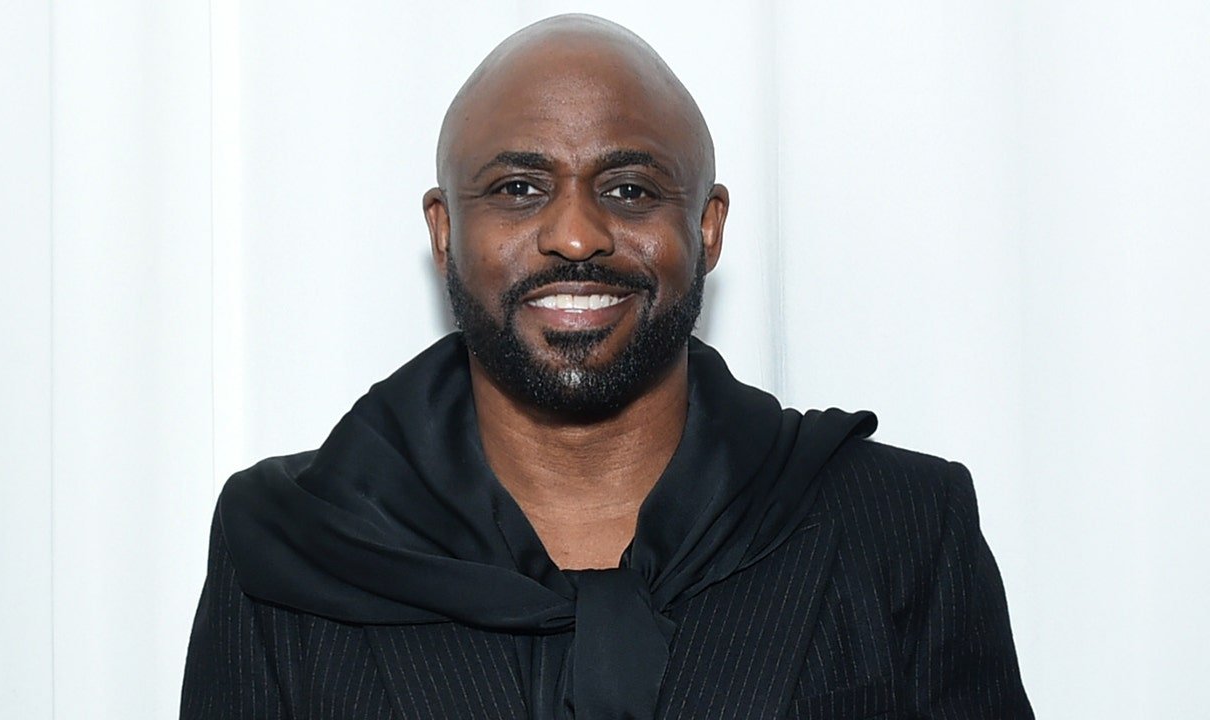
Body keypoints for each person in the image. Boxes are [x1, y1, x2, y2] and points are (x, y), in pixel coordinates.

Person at [180, 14, 1033, 719]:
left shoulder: (903, 526)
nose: (577, 235)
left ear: (707, 226)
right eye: (518, 189)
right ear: (445, 231)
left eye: (629, 189)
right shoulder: (288, 543)